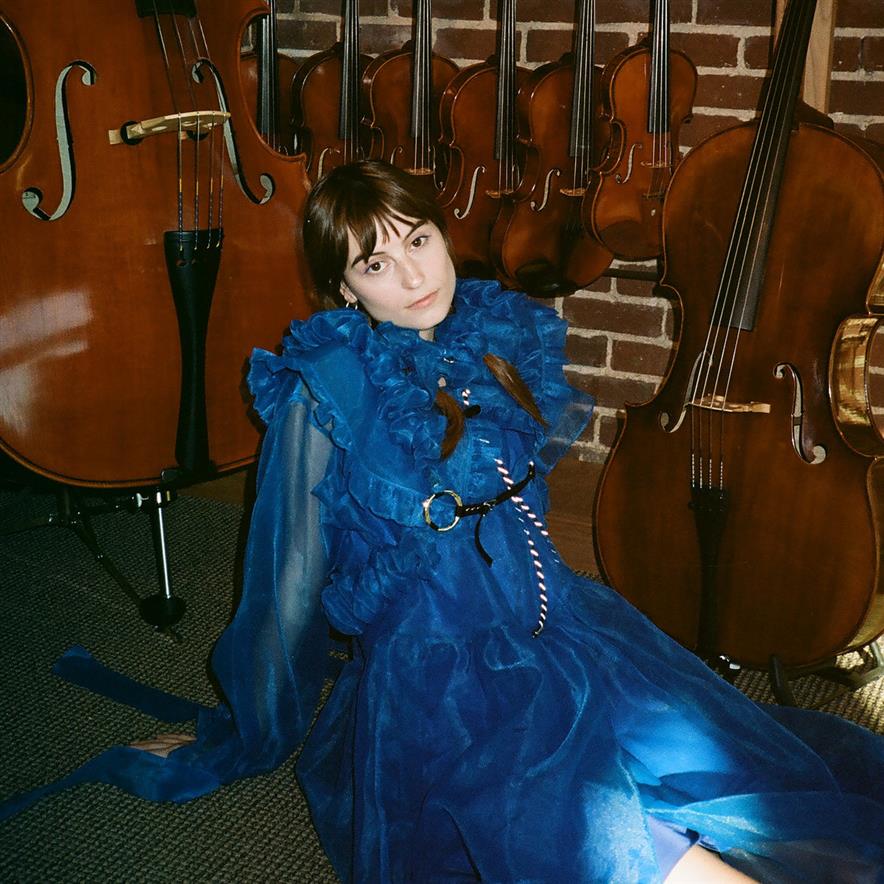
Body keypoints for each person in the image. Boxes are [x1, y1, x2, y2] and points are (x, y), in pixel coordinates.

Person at [3, 160, 883, 883]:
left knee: (746, 773)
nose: (415, 276)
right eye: (375, 264)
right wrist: (251, 728)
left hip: (562, 624)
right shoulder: (327, 393)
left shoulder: (493, 337)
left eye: (418, 240)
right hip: (443, 682)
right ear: (344, 289)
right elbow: (284, 581)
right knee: (595, 834)